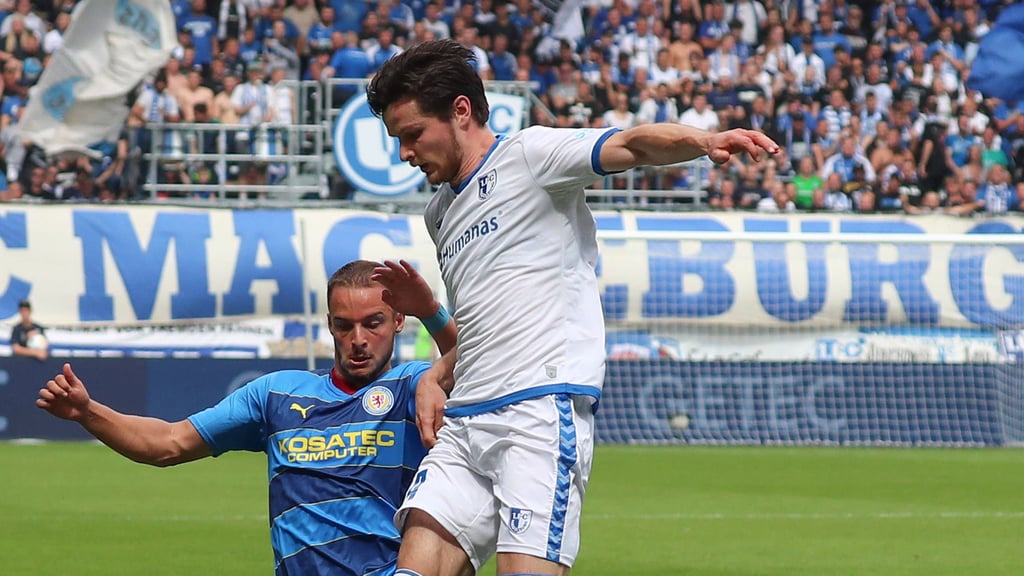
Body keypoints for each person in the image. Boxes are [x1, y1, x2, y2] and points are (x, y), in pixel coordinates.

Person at [366, 39, 779, 576]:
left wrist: (702, 141)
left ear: (460, 111)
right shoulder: (439, 213)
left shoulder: (529, 156)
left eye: (413, 134)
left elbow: (631, 144)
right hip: (465, 423)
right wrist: (438, 372)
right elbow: (489, 327)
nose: (405, 153)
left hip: (536, 416)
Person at [36, 260, 456, 576]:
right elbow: (167, 443)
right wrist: (88, 412)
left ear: (398, 321)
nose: (358, 339)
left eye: (373, 323)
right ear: (329, 325)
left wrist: (431, 312)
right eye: (344, 326)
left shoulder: (413, 385)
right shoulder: (275, 394)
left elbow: (480, 363)